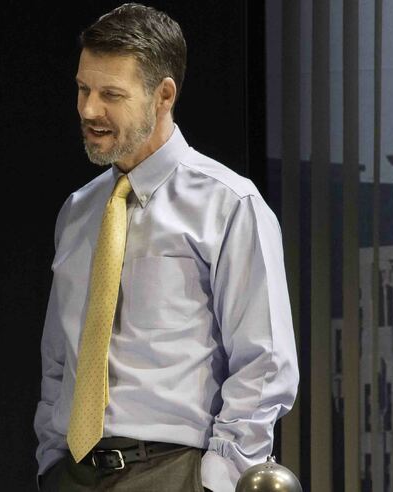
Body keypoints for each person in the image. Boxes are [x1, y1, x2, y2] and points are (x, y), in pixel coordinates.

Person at [34, 4, 298, 492]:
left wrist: (218, 480)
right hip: (72, 474)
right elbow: (59, 358)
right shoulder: (78, 211)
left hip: (174, 472)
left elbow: (265, 363)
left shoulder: (230, 204)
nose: (89, 109)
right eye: (83, 89)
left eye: (111, 94)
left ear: (163, 95)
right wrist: (51, 461)